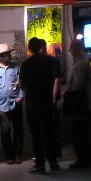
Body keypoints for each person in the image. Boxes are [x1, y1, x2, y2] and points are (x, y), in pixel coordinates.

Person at [18, 36, 61, 173]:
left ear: (29, 48)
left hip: (32, 102)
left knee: (36, 134)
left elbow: (22, 84)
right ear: (41, 47)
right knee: (49, 132)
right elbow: (56, 79)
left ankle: (40, 164)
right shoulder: (50, 61)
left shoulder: (26, 64)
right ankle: (53, 162)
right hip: (47, 101)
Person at [0, 42, 23, 164]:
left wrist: (21, 96)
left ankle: (18, 154)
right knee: (5, 130)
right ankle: (9, 155)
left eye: (9, 53)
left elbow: (22, 84)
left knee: (18, 129)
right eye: (6, 54)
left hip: (16, 103)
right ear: (0, 56)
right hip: (2, 105)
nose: (9, 56)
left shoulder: (16, 67)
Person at [62, 39, 91, 169]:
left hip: (79, 103)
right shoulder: (82, 62)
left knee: (78, 134)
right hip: (82, 103)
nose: (69, 50)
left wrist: (67, 92)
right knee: (81, 133)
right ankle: (85, 158)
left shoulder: (81, 64)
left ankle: (83, 160)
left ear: (77, 48)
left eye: (71, 48)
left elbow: (78, 84)